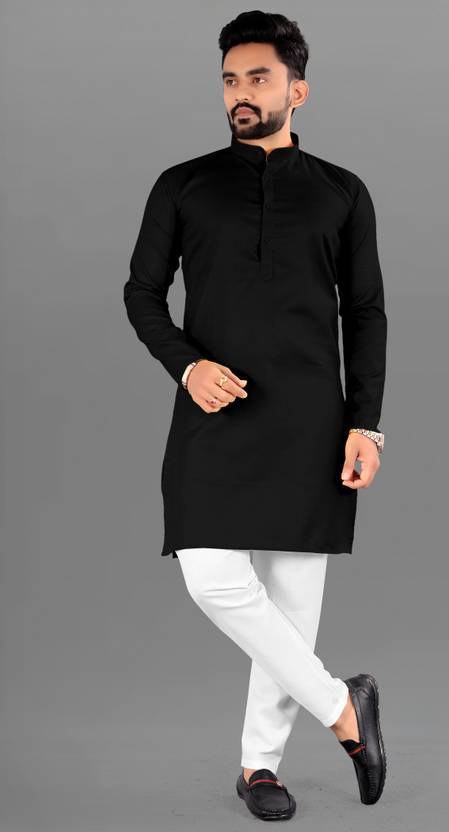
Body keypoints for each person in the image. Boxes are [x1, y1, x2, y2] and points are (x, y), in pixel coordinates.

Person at [123, 10, 387, 819]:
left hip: (312, 424)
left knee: (293, 609)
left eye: (259, 78)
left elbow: (365, 313)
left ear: (297, 90)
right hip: (214, 415)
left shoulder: (342, 192)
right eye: (231, 79)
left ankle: (260, 769)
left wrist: (365, 424)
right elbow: (142, 293)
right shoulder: (183, 184)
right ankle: (344, 706)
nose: (241, 92)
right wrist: (188, 365)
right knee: (213, 578)